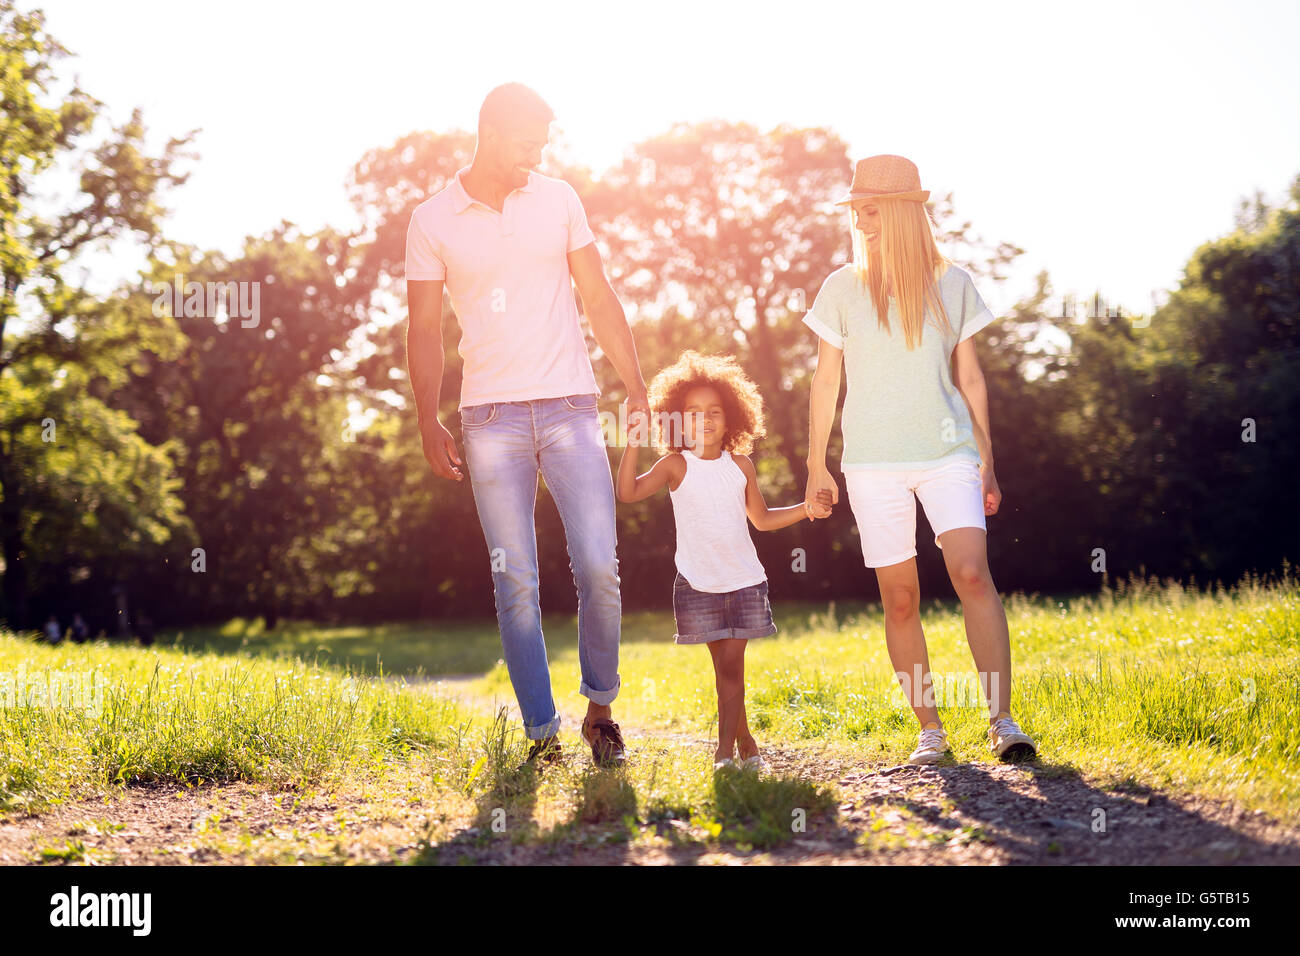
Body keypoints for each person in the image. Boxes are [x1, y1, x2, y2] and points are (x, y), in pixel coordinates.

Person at [405, 83, 649, 767]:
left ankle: (600, 712)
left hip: (572, 403)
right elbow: (423, 330)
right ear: (488, 131)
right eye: (526, 144)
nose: (536, 157)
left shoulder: (560, 198)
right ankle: (542, 733)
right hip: (489, 418)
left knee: (600, 565)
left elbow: (597, 295)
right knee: (515, 579)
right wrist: (427, 415)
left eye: (543, 145)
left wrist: (635, 384)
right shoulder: (432, 219)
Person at [803, 155, 1038, 766]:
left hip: (948, 451)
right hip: (871, 462)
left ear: (906, 211)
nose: (861, 221)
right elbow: (824, 384)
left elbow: (971, 378)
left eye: (872, 210)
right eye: (856, 211)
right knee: (900, 599)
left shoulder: (953, 283)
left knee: (971, 574)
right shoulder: (841, 288)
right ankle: (929, 730)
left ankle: (1001, 721)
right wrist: (815, 465)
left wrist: (987, 460)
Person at [617, 351, 833, 771]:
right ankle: (748, 744)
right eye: (694, 413)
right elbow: (627, 493)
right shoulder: (675, 465)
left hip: (744, 580)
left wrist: (808, 508)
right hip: (698, 583)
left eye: (714, 411)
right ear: (678, 419)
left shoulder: (742, 466)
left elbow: (763, 519)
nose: (705, 419)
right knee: (726, 672)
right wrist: (631, 443)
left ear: (732, 416)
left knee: (731, 668)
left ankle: (724, 755)